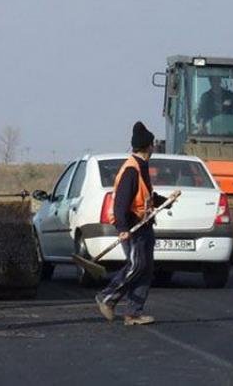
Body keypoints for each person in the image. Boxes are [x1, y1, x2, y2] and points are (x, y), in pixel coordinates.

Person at [95, 121, 169, 326]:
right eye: (152, 145)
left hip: (144, 225)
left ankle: (134, 313)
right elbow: (120, 203)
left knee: (146, 269)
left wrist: (165, 201)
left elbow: (145, 197)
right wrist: (122, 229)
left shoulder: (141, 167)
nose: (154, 148)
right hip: (133, 227)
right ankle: (107, 297)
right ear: (149, 146)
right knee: (137, 265)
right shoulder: (131, 169)